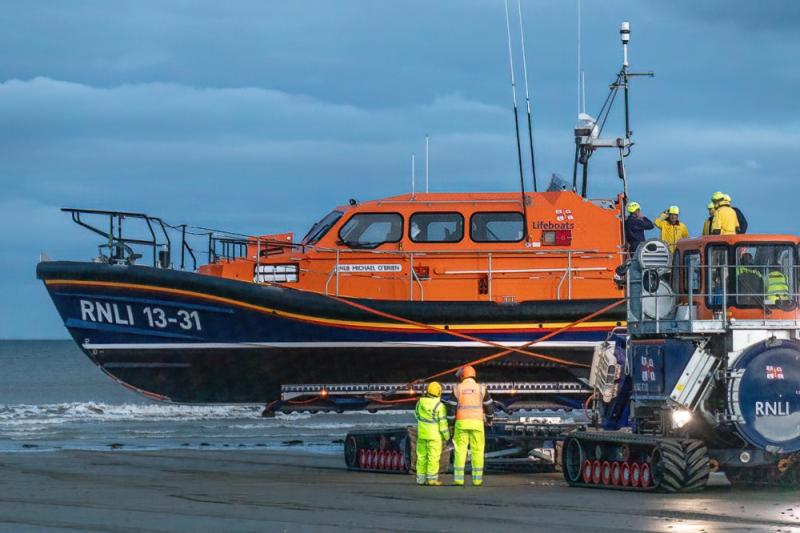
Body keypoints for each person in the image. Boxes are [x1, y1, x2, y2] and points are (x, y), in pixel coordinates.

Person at [452, 365, 493, 486]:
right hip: (477, 423)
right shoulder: (481, 388)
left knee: (460, 451)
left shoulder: (457, 388)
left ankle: (459, 479)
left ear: (462, 376)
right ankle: (477, 480)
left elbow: (451, 408)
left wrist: (450, 423)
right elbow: (489, 406)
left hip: (461, 423)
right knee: (478, 451)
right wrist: (490, 419)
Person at [414, 381, 450, 486]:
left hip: (422, 434)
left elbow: (416, 415)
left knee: (421, 457)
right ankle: (432, 479)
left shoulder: (420, 403)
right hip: (434, 437)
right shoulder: (440, 406)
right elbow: (443, 424)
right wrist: (447, 437)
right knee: (433, 458)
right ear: (439, 392)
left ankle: (420, 479)